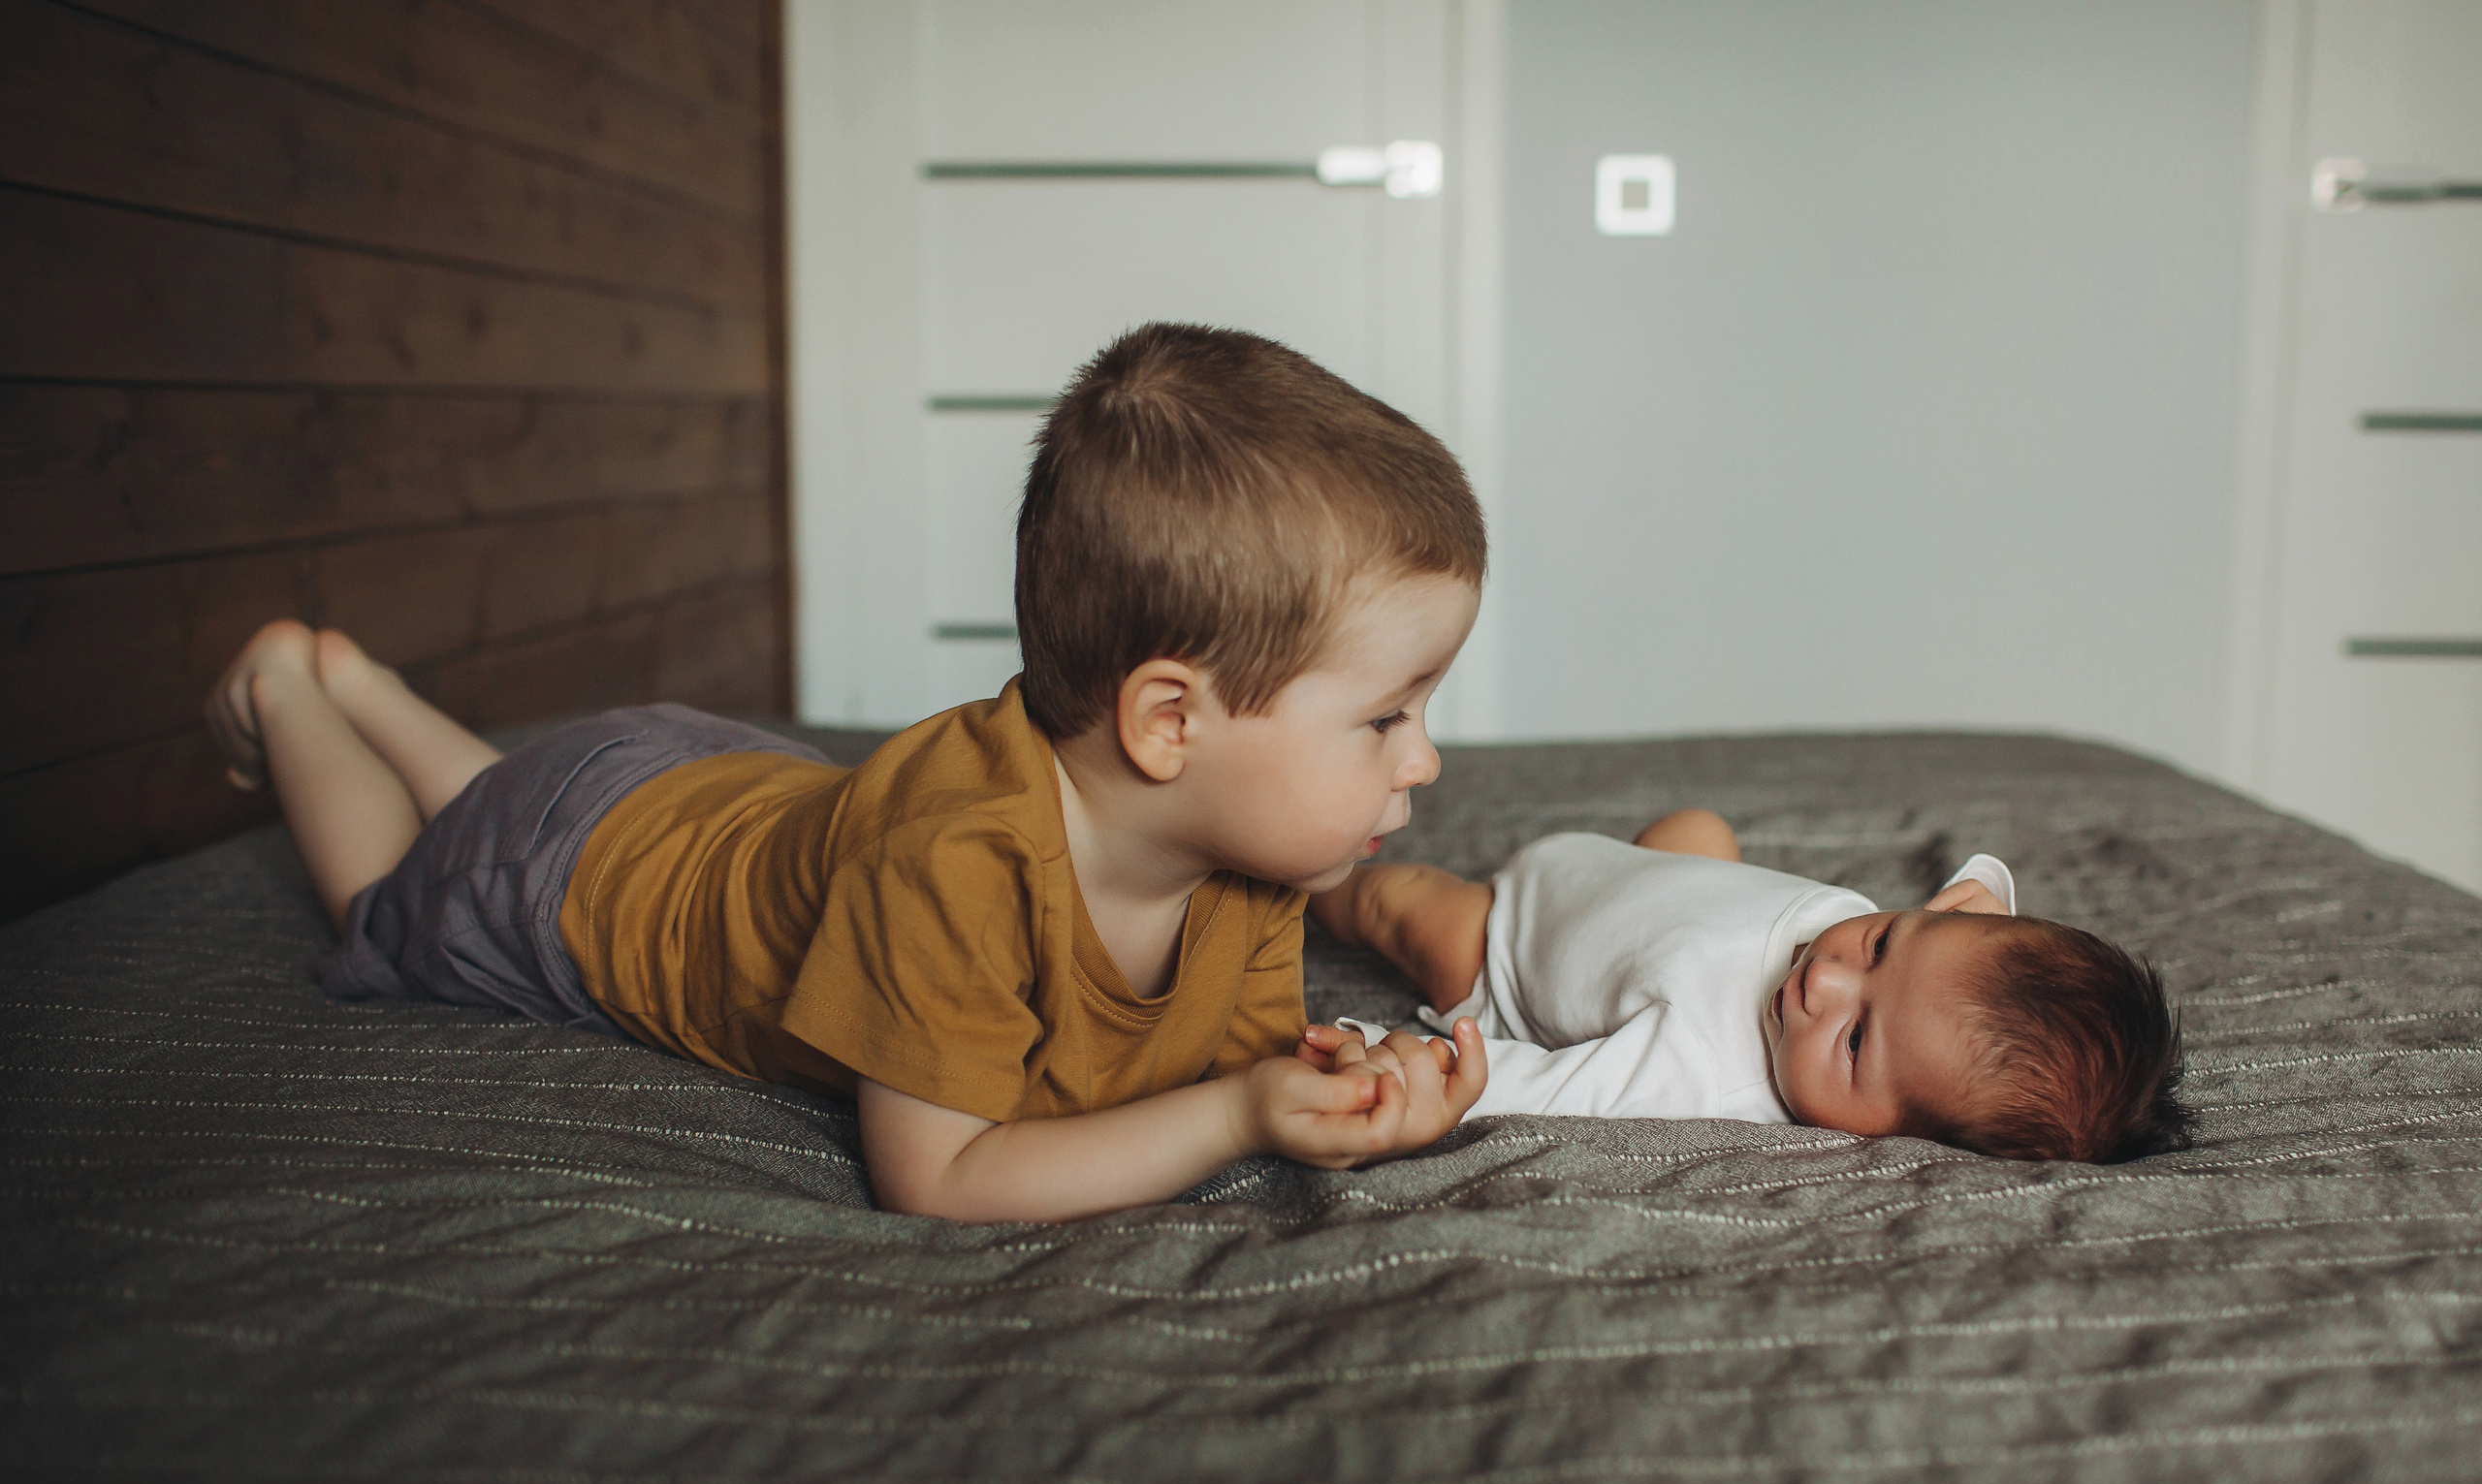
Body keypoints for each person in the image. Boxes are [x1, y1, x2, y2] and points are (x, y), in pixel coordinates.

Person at [206, 324, 1491, 1223]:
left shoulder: (1252, 856)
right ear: (1169, 720)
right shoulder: (958, 860)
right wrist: (1240, 1121)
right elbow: (940, 1177)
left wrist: (1348, 1076)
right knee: (396, 889)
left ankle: (362, 682)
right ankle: (286, 688)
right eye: (1386, 716)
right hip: (588, 867)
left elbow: (1223, 1059)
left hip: (733, 787)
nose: (1422, 756)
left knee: (498, 799)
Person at [1302, 808, 2191, 1163]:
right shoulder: (1934, 975)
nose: (1828, 975)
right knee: (1701, 828)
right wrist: (1978, 904)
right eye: (1880, 939)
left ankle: (1295, 881)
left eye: (1853, 1041)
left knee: (1400, 903)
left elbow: (1529, 1089)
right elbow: (1982, 895)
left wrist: (1396, 1065)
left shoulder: (1701, 1075)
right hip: (1640, 886)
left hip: (1509, 944)